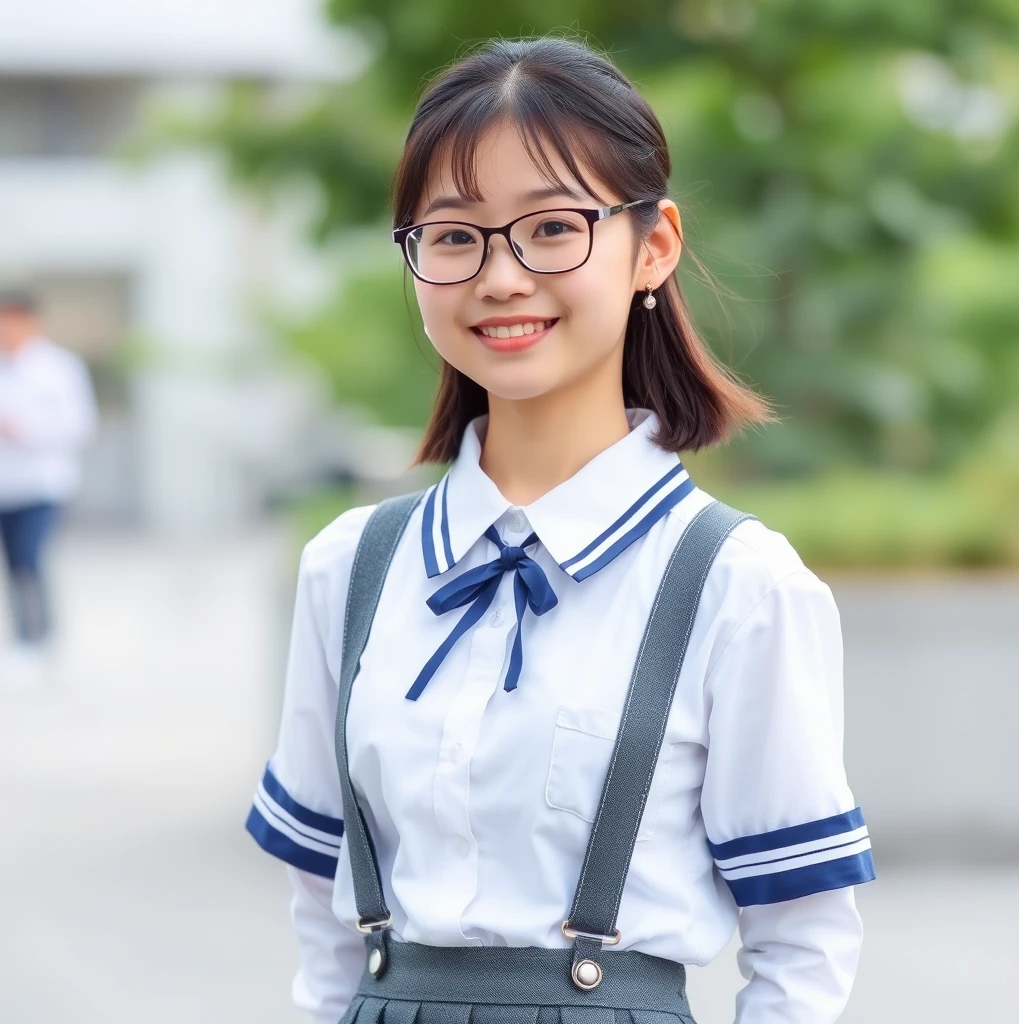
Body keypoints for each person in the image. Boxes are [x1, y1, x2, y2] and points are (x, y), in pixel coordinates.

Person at [245, 36, 876, 1024]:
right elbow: (323, 930)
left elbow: (801, 948)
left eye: (550, 228)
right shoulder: (353, 566)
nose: (499, 276)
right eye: (453, 236)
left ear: (652, 246)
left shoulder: (735, 583)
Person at [0, 289, 97, 686]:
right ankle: (28, 640)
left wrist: (26, 430)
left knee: (30, 558)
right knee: (13, 564)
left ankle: (38, 641)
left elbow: (80, 425)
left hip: (42, 484)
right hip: (6, 485)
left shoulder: (59, 367)